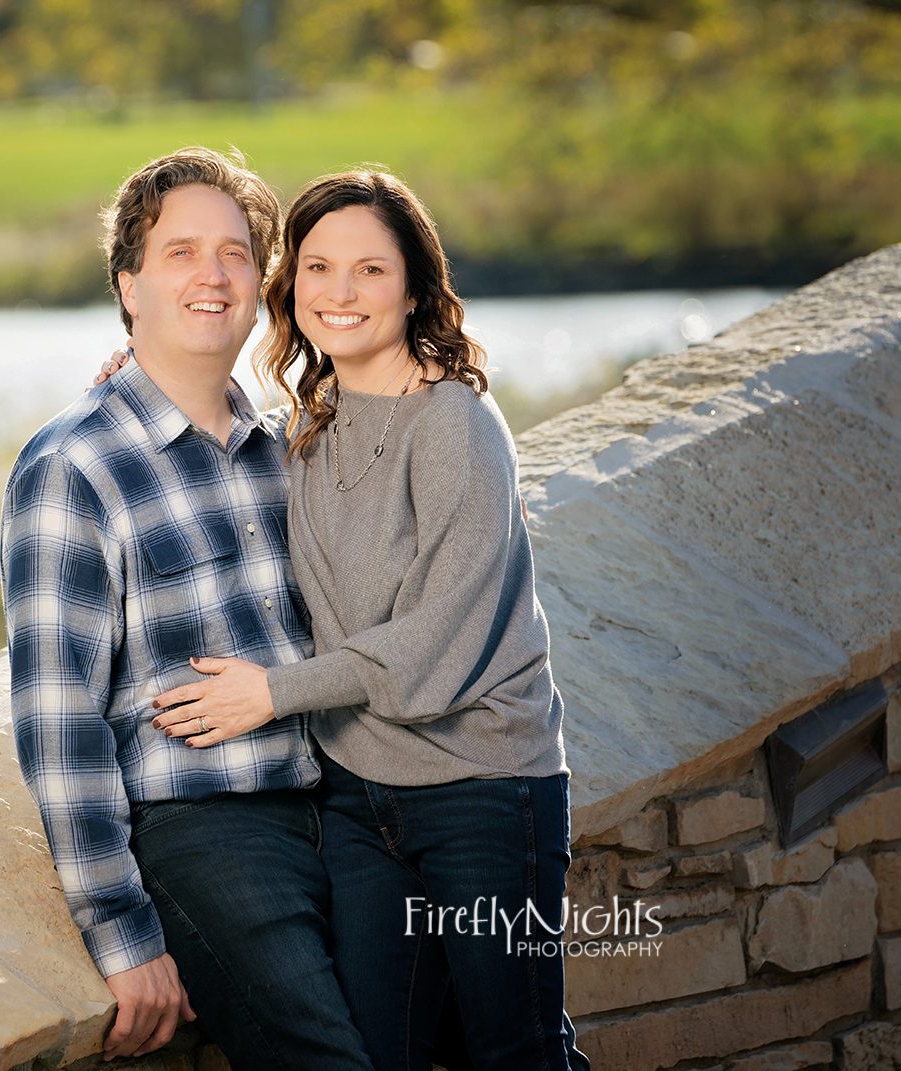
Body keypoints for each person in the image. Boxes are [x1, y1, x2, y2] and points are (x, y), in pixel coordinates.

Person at [142, 170, 591, 1071]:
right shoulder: (312, 420)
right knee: (381, 1054)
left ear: (416, 288)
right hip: (357, 800)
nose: (339, 294)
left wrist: (277, 693)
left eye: (370, 271)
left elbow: (442, 637)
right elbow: (222, 436)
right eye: (317, 268)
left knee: (517, 1051)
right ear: (291, 286)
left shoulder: (456, 425)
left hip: (483, 793)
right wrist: (140, 374)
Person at [0, 147, 373, 1069]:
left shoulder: (292, 449)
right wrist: (121, 933)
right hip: (205, 832)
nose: (213, 275)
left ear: (262, 285)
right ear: (129, 285)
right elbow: (60, 722)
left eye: (237, 254)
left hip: (345, 811)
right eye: (180, 253)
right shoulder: (72, 467)